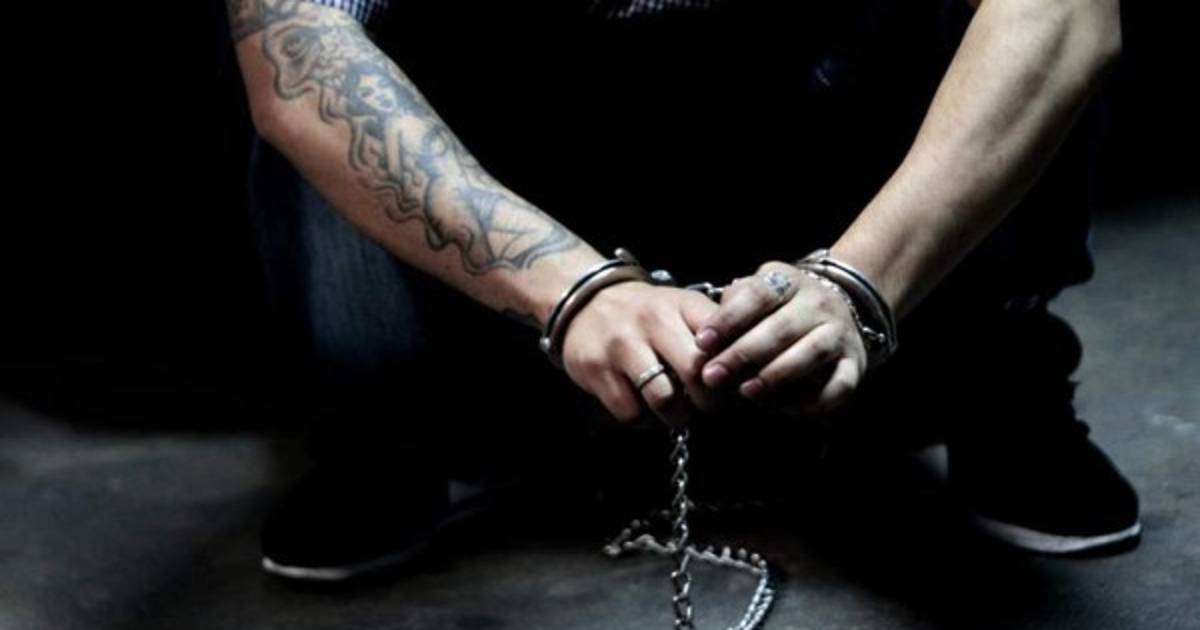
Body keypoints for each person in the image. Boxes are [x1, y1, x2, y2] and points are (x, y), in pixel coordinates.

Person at [226, 0, 1139, 581]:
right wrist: (570, 289)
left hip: (821, 123)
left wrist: (862, 283)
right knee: (326, 75)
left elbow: (1065, 14)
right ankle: (391, 433)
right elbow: (292, 49)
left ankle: (992, 386)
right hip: (514, 140)